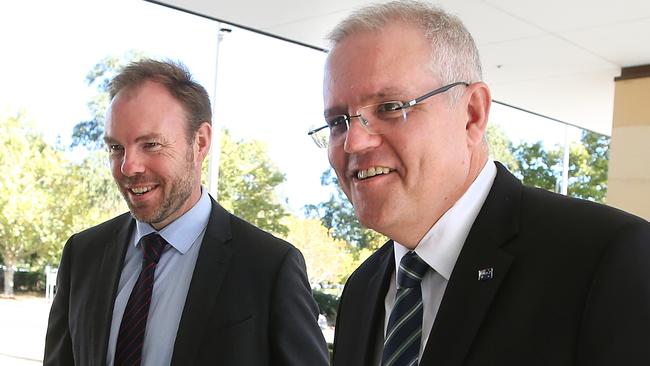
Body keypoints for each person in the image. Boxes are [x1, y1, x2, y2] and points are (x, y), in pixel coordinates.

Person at [307, 1, 650, 365]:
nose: (353, 142)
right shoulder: (363, 289)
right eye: (338, 122)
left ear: (472, 114)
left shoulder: (606, 259)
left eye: (390, 107)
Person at [44, 59, 329, 366]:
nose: (128, 166)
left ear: (200, 142)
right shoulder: (83, 254)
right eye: (116, 148)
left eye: (150, 144)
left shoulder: (269, 267)